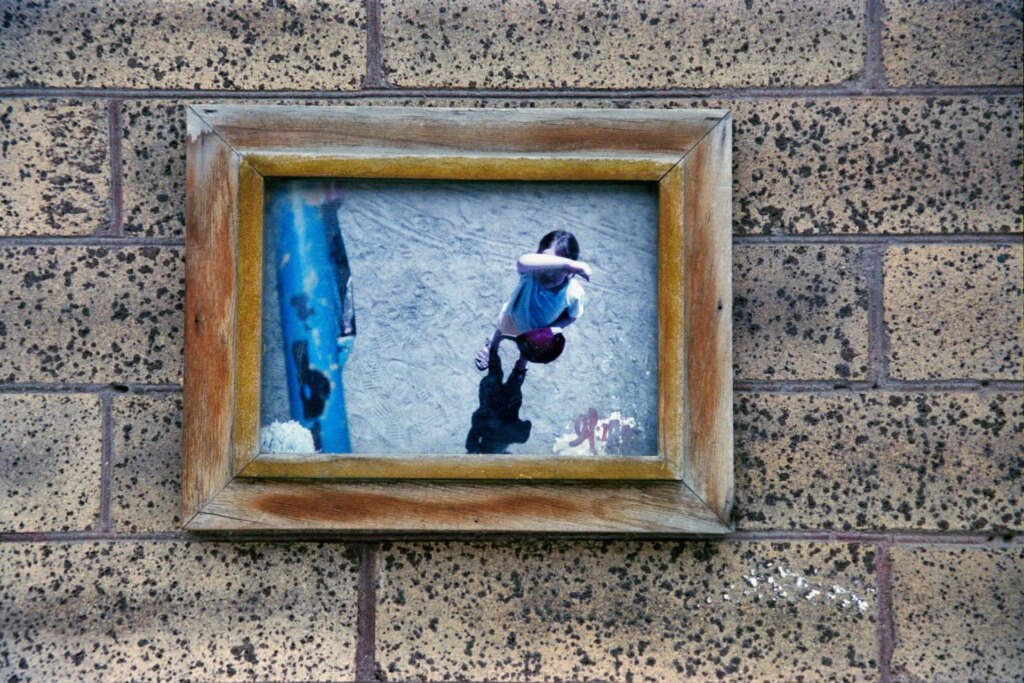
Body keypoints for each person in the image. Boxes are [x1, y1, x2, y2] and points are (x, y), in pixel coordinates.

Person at [475, 230, 591, 372]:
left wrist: (555, 327)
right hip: (512, 318)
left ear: (569, 272)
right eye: (547, 264)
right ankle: (492, 348)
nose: (548, 273)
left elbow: (573, 315)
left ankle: (521, 366)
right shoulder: (529, 274)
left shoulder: (574, 293)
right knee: (500, 333)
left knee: (528, 352)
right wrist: (570, 264)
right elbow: (523, 261)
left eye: (557, 269)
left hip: (537, 333)